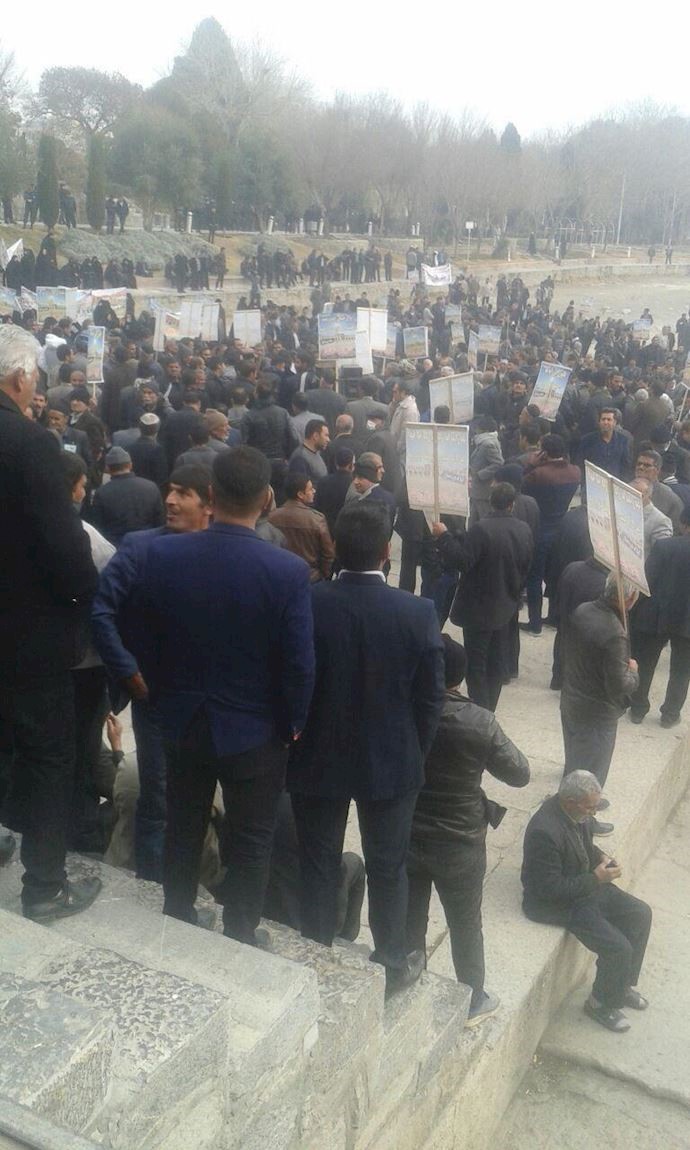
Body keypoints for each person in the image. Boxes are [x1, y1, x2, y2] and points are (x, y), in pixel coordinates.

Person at [133, 448, 315, 942]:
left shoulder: (165, 556)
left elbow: (144, 638)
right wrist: (294, 722)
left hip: (183, 719)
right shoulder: (286, 571)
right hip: (257, 730)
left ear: (211, 495)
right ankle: (241, 931)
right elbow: (299, 663)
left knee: (183, 821)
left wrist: (164, 696)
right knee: (252, 837)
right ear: (266, 498)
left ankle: (177, 911)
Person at [289, 501, 445, 999]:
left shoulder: (309, 602)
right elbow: (431, 700)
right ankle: (392, 960)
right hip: (392, 759)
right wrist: (414, 750)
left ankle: (315, 951)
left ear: (336, 547)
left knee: (318, 860)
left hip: (318, 755)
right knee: (388, 865)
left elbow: (293, 677)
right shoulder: (417, 612)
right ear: (386, 553)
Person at [0, 325, 101, 921]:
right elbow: (67, 551)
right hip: (27, 633)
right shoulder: (32, 443)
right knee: (47, 755)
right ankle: (44, 886)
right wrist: (82, 595)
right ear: (19, 378)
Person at [92, 465, 214, 880]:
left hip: (214, 702)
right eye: (170, 491)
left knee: (202, 804)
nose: (170, 500)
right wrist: (126, 668)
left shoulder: (225, 553)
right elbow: (102, 611)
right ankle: (154, 890)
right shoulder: (139, 547)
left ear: (209, 503)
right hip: (155, 698)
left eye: (183, 493)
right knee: (158, 799)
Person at [406, 636, 530, 1026]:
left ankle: (409, 984)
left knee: (409, 917)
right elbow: (520, 773)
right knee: (465, 925)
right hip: (460, 842)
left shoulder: (402, 708)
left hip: (408, 834)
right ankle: (473, 998)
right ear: (460, 677)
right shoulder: (480, 721)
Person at [522, 771, 652, 1033]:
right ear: (570, 801)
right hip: (558, 903)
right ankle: (600, 1003)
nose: (594, 813)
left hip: (583, 884)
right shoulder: (543, 832)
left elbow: (584, 845)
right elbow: (548, 890)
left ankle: (620, 985)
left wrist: (601, 858)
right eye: (590, 807)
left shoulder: (578, 814)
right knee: (618, 947)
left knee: (640, 913)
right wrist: (596, 878)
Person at [433, 483, 533, 712]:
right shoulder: (523, 529)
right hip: (506, 605)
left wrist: (444, 537)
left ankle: (481, 711)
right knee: (496, 663)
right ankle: (489, 710)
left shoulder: (481, 529)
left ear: (490, 501)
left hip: (478, 608)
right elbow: (527, 565)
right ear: (512, 504)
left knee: (477, 663)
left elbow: (463, 561)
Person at [560, 573, 639, 833]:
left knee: (575, 763)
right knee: (591, 771)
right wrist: (633, 672)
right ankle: (581, 823)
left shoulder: (582, 610)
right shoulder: (615, 633)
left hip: (571, 701)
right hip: (596, 714)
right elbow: (620, 685)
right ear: (629, 597)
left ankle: (577, 807)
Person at [629, 507, 690, 726]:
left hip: (656, 617)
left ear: (682, 523)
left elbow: (646, 581)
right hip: (687, 622)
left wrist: (634, 612)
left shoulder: (664, 546)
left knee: (645, 664)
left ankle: (638, 708)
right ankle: (670, 714)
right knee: (682, 670)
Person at [521, 434, 581, 635]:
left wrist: (531, 464)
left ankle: (535, 622)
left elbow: (521, 485)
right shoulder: (575, 472)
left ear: (544, 452)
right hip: (563, 529)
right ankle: (554, 616)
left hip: (541, 529)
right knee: (557, 576)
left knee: (535, 577)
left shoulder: (538, 474)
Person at [90, 446, 165, 546]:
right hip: (147, 544)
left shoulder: (102, 493)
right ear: (130, 465)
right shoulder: (151, 487)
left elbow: (98, 527)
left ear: (108, 468)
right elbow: (160, 522)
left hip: (116, 546)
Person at [268, 471, 335, 582]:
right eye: (310, 489)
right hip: (310, 576)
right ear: (300, 494)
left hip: (279, 575)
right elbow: (328, 554)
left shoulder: (271, 517)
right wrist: (324, 575)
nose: (314, 491)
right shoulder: (317, 519)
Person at [578, 408, 631, 480]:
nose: (605, 422)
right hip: (593, 481)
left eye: (609, 420)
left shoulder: (623, 441)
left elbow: (625, 466)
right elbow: (580, 463)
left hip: (614, 481)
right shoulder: (587, 440)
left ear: (615, 422)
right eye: (603, 419)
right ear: (599, 422)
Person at [469, 416, 504, 522]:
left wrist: (480, 474)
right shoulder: (484, 442)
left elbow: (499, 463)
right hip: (478, 490)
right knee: (473, 520)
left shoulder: (487, 444)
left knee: (483, 519)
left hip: (484, 490)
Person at [314, 446, 355, 535]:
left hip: (325, 527)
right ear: (351, 465)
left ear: (336, 463)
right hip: (345, 530)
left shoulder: (323, 481)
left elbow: (317, 506)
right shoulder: (354, 485)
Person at [289, 418, 330, 483]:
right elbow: (301, 485)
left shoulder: (317, 453)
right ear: (315, 436)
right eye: (326, 435)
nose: (328, 440)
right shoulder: (300, 457)